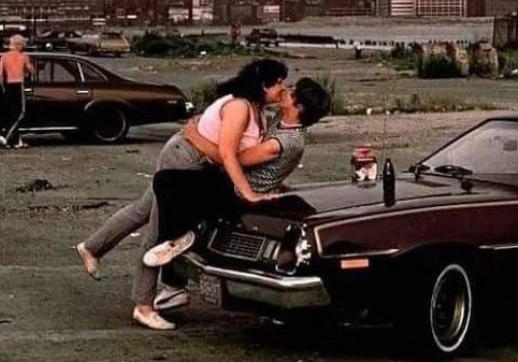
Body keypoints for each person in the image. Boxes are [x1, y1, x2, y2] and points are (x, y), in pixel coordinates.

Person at [75, 58, 289, 331]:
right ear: (262, 85)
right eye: (278, 82)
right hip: (185, 160)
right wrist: (248, 193)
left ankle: (93, 247)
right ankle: (143, 305)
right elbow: (227, 155)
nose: (283, 87)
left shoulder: (255, 108)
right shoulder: (239, 107)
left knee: (144, 209)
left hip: (190, 156)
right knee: (159, 232)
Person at [144, 76, 332, 269]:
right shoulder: (282, 119)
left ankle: (178, 244)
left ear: (299, 107)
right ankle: (181, 241)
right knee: (164, 194)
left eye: (292, 92)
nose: (286, 90)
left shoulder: (284, 142)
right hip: (235, 180)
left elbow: (232, 159)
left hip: (238, 190)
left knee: (165, 181)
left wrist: (195, 136)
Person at [1, 34, 35, 149]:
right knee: (20, 113)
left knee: (10, 113)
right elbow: (32, 71)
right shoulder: (23, 56)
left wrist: (3, 88)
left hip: (7, 86)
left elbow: (0, 75)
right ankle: (4, 136)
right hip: (18, 84)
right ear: (19, 45)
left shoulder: (3, 57)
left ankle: (16, 141)